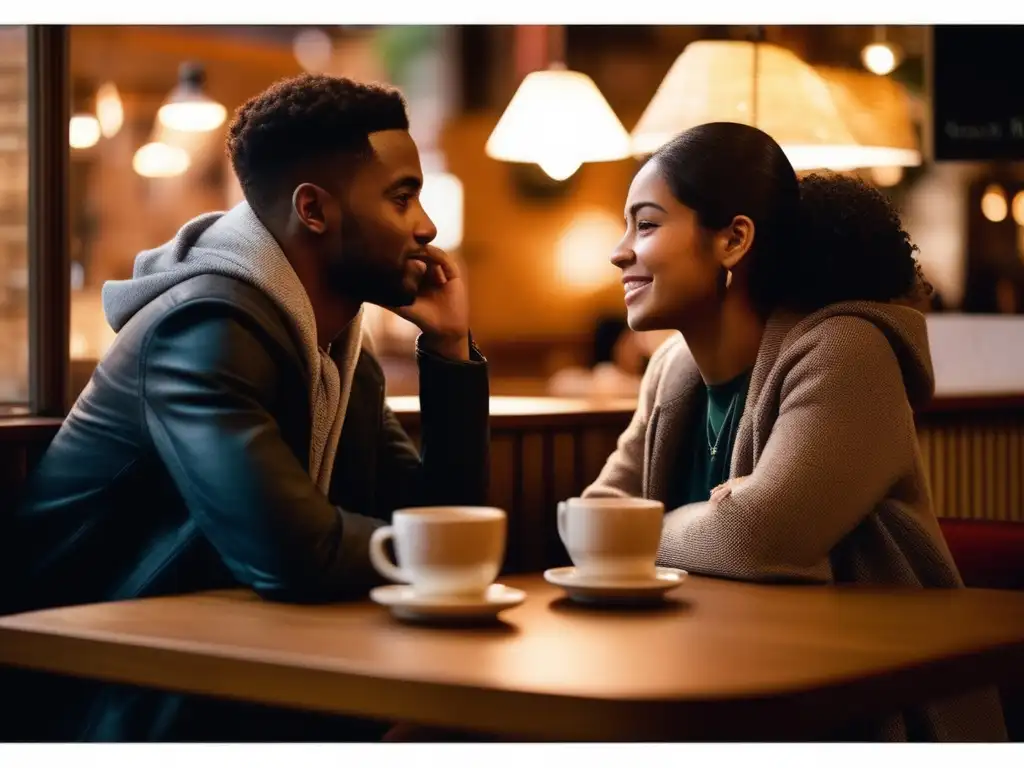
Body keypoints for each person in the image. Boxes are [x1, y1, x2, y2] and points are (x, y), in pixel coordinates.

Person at [7, 74, 490, 742]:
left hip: (210, 666)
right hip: (83, 695)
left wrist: (449, 351)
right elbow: (294, 555)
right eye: (402, 196)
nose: (427, 225)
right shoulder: (203, 332)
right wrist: (451, 554)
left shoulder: (338, 351)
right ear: (314, 210)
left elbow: (439, 517)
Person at [583, 122, 1007, 742]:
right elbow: (598, 515)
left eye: (645, 225)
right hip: (704, 680)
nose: (620, 251)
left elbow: (756, 538)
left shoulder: (846, 352)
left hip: (862, 712)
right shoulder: (673, 371)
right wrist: (711, 515)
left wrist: (683, 526)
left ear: (733, 240)